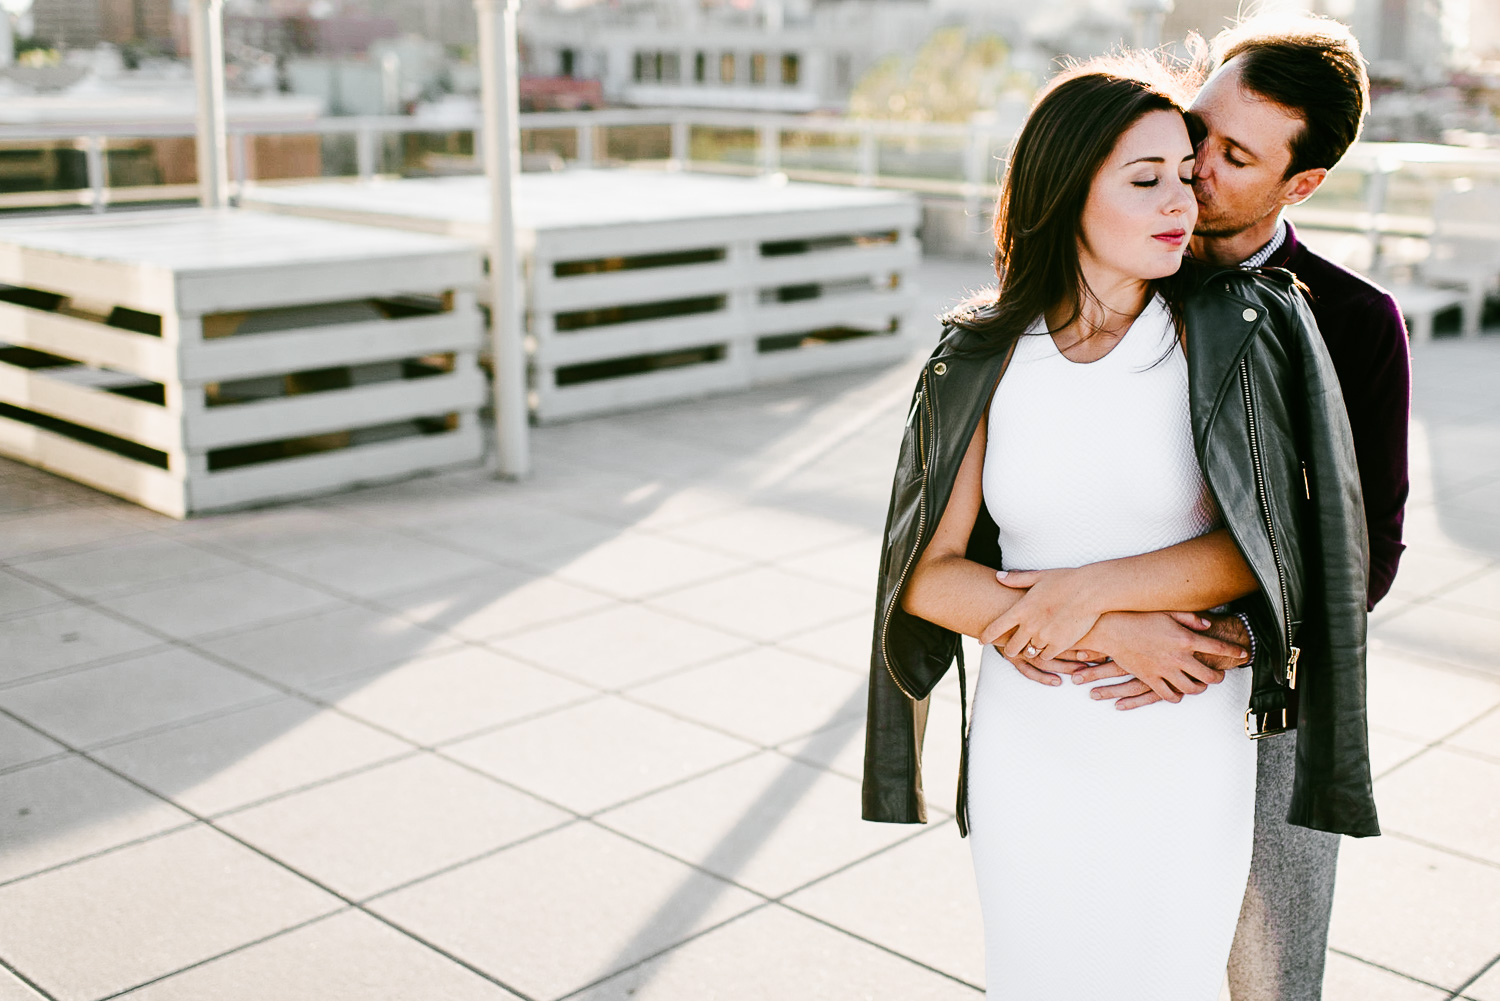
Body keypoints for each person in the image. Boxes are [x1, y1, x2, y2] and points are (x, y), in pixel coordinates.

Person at [861, 54, 1378, 1000]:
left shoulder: (1232, 332)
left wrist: (1085, 594)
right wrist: (1101, 626)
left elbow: (1269, 544)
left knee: (1172, 975)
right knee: (1035, 976)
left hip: (1182, 738)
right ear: (1067, 191)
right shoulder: (977, 352)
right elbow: (925, 573)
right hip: (1033, 738)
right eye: (1148, 180)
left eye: (1188, 176)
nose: (1183, 198)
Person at [999, 17, 1409, 1000]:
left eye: (1236, 156)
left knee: (1265, 976)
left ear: (1300, 184)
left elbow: (1367, 556)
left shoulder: (1352, 320)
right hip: (1089, 692)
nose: (1197, 169)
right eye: (1197, 130)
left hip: (1266, 701)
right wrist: (1110, 622)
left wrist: (1206, 633)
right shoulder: (1107, 278)